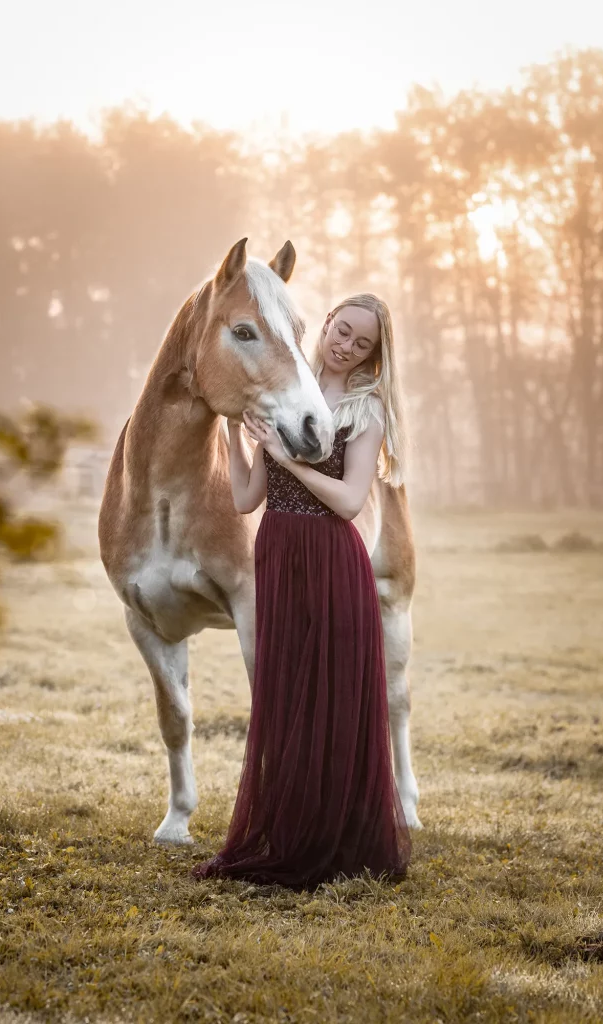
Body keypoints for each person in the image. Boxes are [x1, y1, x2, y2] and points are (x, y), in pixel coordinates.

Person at [192, 294, 412, 889]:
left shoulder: (367, 410)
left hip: (330, 556)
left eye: (360, 343)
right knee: (287, 694)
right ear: (328, 321)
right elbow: (244, 498)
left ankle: (337, 840)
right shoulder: (291, 388)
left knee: (333, 696)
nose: (344, 345)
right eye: (342, 330)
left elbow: (347, 500)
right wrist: (238, 434)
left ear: (371, 355)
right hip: (279, 552)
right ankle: (291, 832)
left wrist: (287, 459)